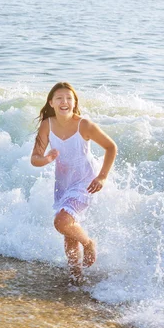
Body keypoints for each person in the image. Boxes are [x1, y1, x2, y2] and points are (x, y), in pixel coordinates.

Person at [31, 82, 117, 285]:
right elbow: (35, 158)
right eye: (59, 98)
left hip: (86, 182)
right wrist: (47, 159)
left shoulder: (84, 125)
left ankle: (88, 243)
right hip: (63, 183)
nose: (65, 102)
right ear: (51, 103)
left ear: (75, 102)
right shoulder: (47, 125)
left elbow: (111, 147)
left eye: (69, 98)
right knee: (68, 231)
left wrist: (102, 177)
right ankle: (75, 276)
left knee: (61, 222)